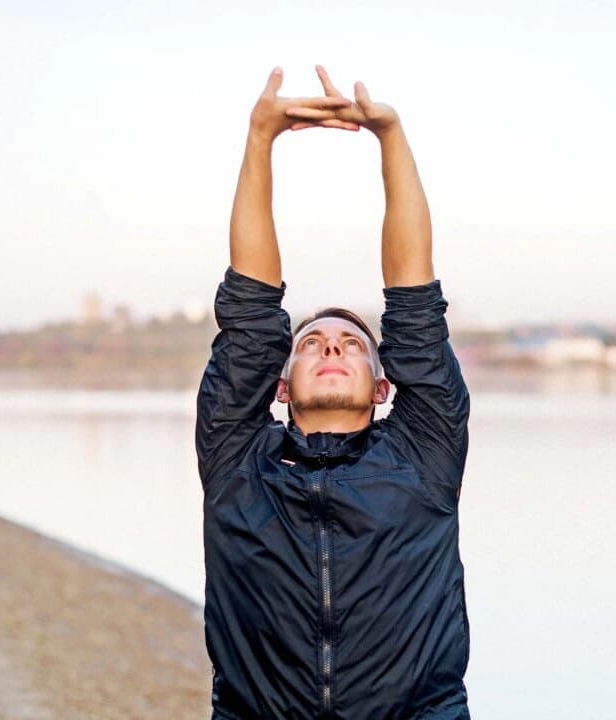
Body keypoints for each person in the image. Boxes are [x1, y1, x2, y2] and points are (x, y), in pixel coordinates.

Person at [196, 65, 471, 720]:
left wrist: (391, 137)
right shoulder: (238, 462)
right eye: (311, 343)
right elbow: (251, 312)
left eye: (352, 345)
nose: (330, 347)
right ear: (281, 386)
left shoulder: (423, 455)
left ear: (382, 386)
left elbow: (415, 308)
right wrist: (259, 138)